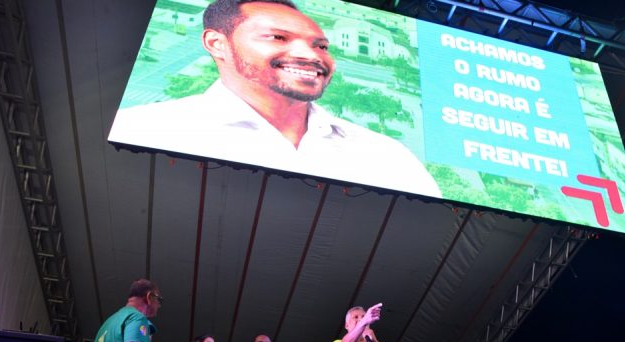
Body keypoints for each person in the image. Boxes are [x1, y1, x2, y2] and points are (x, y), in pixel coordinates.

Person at [108, 0, 442, 200]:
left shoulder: (389, 156)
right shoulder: (144, 128)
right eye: (277, 37)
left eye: (321, 46)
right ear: (216, 43)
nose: (310, 55)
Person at [89, 279, 162, 342]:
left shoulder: (112, 319)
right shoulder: (137, 317)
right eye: (158, 299)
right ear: (149, 297)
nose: (159, 305)